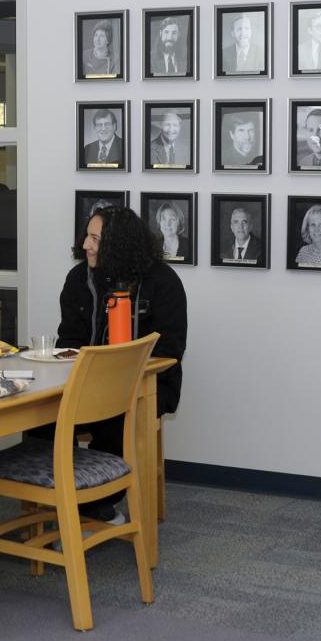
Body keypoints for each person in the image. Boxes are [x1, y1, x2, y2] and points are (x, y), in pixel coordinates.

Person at [50, 205, 187, 523]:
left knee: (112, 419)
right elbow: (68, 340)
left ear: (118, 244)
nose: (86, 245)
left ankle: (97, 505)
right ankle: (58, 493)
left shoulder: (161, 282)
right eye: (87, 235)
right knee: (40, 419)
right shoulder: (78, 279)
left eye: (95, 238)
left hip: (147, 387)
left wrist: (115, 377)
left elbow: (169, 352)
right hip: (84, 384)